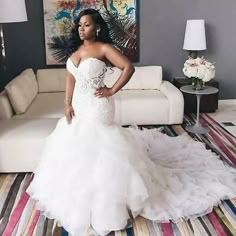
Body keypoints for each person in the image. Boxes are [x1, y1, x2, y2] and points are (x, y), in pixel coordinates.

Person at [27, 8, 236, 236]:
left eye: (86, 25)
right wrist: (67, 103)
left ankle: (110, 202)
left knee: (101, 147)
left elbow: (128, 67)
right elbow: (70, 77)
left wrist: (112, 90)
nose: (81, 28)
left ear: (96, 27)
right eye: (79, 25)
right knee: (76, 145)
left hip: (98, 107)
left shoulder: (104, 48)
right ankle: (79, 196)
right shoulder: (76, 50)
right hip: (79, 105)